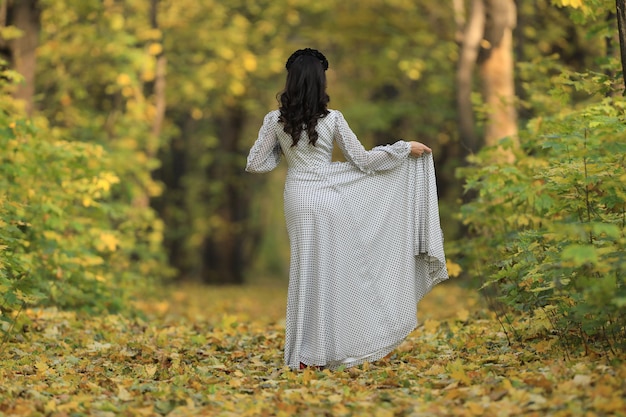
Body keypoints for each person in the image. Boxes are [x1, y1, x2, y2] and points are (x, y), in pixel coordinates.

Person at [246, 48, 449, 370]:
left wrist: (284, 156)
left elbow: (255, 163)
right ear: (320, 82)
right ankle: (328, 351)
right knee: (332, 273)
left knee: (305, 271)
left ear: (291, 81)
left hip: (298, 197)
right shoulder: (333, 119)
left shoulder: (275, 120)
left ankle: (302, 356)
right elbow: (365, 161)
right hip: (329, 200)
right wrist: (402, 148)